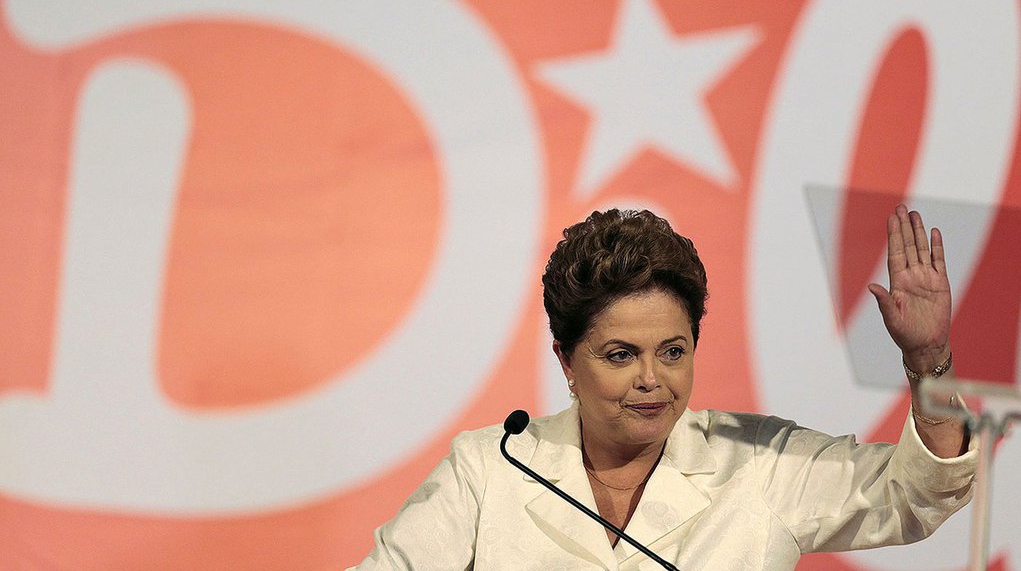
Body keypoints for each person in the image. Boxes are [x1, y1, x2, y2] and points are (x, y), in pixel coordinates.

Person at [349, 206, 975, 570]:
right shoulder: (490, 470)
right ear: (567, 360)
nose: (652, 380)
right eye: (621, 355)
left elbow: (918, 492)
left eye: (672, 352)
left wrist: (929, 357)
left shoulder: (760, 464)